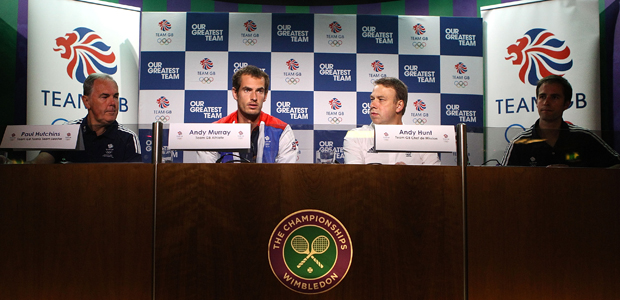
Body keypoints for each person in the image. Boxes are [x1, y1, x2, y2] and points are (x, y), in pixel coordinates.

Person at [501, 75, 620, 167]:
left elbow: (616, 165)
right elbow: (502, 180)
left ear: (566, 104)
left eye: (554, 97)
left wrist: (575, 177)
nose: (546, 102)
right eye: (542, 96)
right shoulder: (519, 143)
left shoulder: (584, 138)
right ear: (536, 102)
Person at [31, 73, 141, 163]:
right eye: (105, 97)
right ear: (86, 101)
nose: (113, 103)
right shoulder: (66, 132)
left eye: (115, 97)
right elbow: (39, 165)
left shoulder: (128, 138)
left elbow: (133, 180)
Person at [196, 65, 297, 163]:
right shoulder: (213, 131)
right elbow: (208, 175)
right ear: (235, 93)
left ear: (265, 95)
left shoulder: (282, 130)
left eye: (259, 91)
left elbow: (285, 176)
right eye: (247, 90)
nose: (254, 97)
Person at [343, 77, 440, 165]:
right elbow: (355, 178)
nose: (372, 105)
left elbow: (436, 179)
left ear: (399, 106)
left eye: (381, 99)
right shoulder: (355, 137)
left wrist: (411, 176)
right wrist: (392, 175)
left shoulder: (421, 138)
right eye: (372, 99)